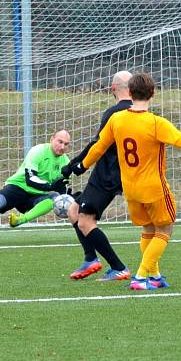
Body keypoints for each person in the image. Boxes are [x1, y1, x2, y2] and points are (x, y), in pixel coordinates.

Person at [67, 72, 181, 290]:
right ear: (153, 94)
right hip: (153, 188)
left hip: (130, 190)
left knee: (148, 230)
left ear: (129, 92)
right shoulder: (156, 123)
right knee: (165, 230)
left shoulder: (117, 119)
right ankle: (140, 276)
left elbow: (98, 147)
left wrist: (82, 166)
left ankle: (154, 276)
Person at [56, 70, 134, 281]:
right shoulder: (140, 112)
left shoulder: (114, 113)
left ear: (112, 88)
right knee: (73, 210)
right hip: (123, 175)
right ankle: (91, 258)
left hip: (106, 175)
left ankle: (119, 267)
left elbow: (97, 145)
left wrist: (74, 166)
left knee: (85, 221)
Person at [0, 130, 72, 246]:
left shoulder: (66, 162)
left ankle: (20, 220)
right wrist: (50, 186)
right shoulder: (38, 151)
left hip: (36, 197)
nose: (63, 146)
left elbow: (62, 189)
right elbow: (30, 179)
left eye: (66, 144)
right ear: (51, 139)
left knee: (56, 198)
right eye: (60, 142)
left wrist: (70, 199)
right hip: (17, 187)